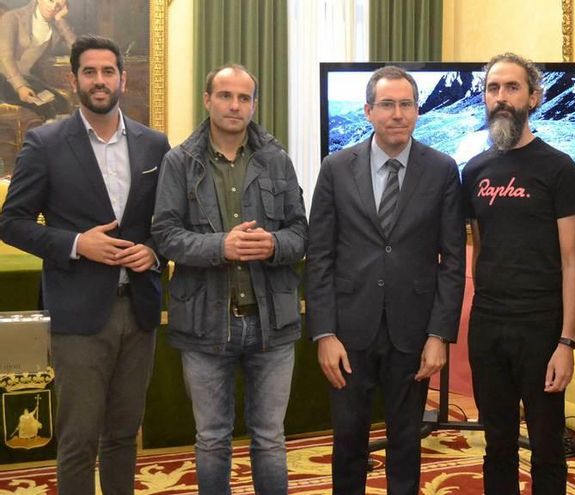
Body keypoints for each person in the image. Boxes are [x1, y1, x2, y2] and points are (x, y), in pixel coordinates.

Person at [0, 34, 169, 494]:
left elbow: (172, 224)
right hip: (78, 314)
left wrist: (153, 250)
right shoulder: (46, 142)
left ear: (122, 77)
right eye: (90, 72)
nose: (100, 80)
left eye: (108, 71)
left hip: (139, 309)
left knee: (122, 435)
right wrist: (77, 243)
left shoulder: (155, 145)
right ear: (75, 79)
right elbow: (11, 223)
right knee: (78, 439)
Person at [306, 65, 465, 495]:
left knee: (406, 442)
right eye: (387, 105)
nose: (398, 114)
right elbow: (318, 255)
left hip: (413, 331)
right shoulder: (336, 168)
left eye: (406, 104)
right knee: (350, 440)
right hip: (348, 331)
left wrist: (440, 335)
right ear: (368, 111)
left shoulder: (443, 169)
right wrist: (324, 332)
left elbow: (453, 259)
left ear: (417, 110)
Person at [151, 64, 308, 495]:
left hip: (271, 323)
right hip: (205, 322)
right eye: (225, 95)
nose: (235, 105)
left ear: (254, 104)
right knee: (212, 439)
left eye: (244, 98)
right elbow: (164, 236)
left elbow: (301, 233)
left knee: (270, 439)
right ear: (208, 100)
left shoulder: (277, 160)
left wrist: (274, 245)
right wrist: (221, 246)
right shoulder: (179, 162)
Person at [461, 52, 575, 494]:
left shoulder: (559, 169)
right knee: (497, 443)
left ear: (534, 97)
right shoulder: (474, 171)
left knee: (548, 444)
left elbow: (573, 261)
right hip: (488, 325)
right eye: (493, 89)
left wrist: (566, 341)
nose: (501, 98)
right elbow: (479, 246)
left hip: (541, 326)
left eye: (512, 88)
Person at [0, 0, 75, 118]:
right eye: (50, 0)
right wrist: (20, 86)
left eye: (59, 5)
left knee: (62, 104)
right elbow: (5, 57)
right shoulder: (12, 17)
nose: (53, 7)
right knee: (47, 109)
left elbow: (78, 49)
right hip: (5, 79)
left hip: (29, 78)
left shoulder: (55, 25)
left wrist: (60, 19)